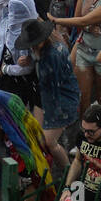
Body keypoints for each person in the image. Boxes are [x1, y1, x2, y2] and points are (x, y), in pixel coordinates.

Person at [14, 18, 78, 175]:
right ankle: (47, 171)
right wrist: (30, 59)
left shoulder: (53, 57)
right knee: (38, 137)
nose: (33, 46)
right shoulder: (45, 48)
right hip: (45, 96)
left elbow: (56, 89)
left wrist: (52, 117)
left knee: (49, 142)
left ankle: (70, 173)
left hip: (60, 100)